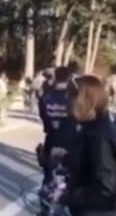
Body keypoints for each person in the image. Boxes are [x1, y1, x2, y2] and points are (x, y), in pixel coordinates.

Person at [58, 75, 116, 216]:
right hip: (85, 208)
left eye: (71, 97)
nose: (68, 102)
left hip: (96, 211)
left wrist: (68, 197)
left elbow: (105, 188)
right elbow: (88, 163)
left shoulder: (100, 135)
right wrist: (64, 158)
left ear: (85, 100)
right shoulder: (89, 127)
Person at [37, 67, 80, 195]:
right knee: (69, 176)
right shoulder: (74, 97)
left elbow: (43, 115)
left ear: (55, 77)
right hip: (70, 140)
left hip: (51, 137)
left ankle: (45, 207)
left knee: (49, 175)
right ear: (69, 78)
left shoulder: (46, 96)